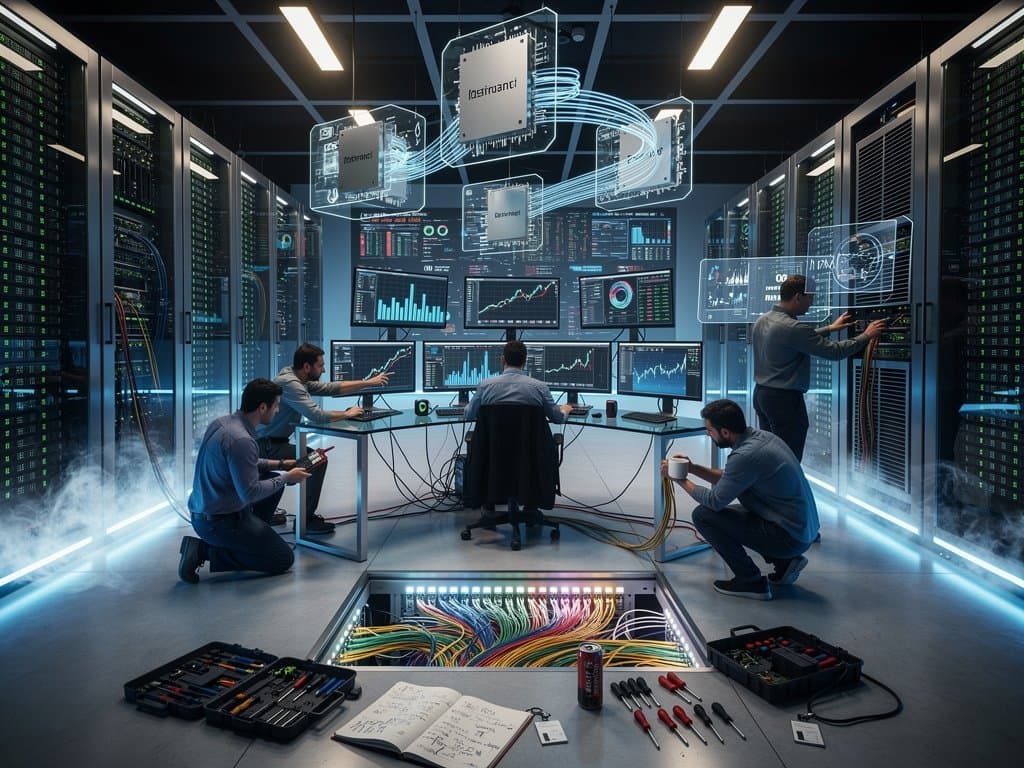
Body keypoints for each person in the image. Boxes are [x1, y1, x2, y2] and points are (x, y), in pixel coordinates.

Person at [660, 399, 819, 600]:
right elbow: (730, 478)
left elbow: (714, 501)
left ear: (725, 432)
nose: (708, 435)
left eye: (710, 430)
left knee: (704, 515)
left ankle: (751, 581)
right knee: (732, 513)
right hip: (799, 529)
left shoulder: (745, 456)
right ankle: (785, 562)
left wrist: (680, 479)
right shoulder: (760, 438)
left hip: (790, 537)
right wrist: (692, 468)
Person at [179, 378, 311, 584]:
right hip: (220, 522)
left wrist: (281, 464)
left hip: (207, 512)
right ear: (262, 407)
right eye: (276, 406)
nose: (278, 411)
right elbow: (250, 493)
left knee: (272, 480)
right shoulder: (242, 440)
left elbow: (243, 463)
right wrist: (287, 477)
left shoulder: (223, 423)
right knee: (282, 558)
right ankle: (203, 551)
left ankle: (253, 538)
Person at [257, 343, 390, 535]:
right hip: (264, 446)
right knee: (316, 460)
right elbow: (316, 415)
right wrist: (347, 414)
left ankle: (299, 515)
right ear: (307, 367)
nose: (324, 370)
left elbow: (331, 388)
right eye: (321, 365)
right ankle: (305, 521)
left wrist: (368, 382)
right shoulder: (290, 384)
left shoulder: (297, 378)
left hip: (274, 442)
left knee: (314, 459)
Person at [751, 274, 886, 462]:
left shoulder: (763, 320)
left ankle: (770, 481)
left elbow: (792, 339)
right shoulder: (793, 327)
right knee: (787, 458)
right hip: (784, 401)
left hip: (762, 395)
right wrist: (866, 335)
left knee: (771, 453)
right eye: (810, 298)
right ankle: (787, 483)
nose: (811, 303)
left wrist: (830, 329)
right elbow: (835, 352)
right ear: (798, 297)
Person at [464, 340, 573, 423]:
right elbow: (557, 418)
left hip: (492, 446)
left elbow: (468, 415)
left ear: (503, 360)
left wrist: (471, 406)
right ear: (525, 361)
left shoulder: (484, 386)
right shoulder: (540, 388)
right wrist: (565, 410)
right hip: (530, 446)